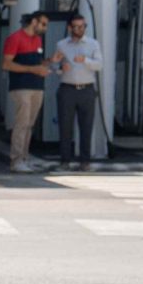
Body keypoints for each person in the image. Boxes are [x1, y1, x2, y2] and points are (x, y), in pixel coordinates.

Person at [53, 11, 103, 170]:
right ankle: (65, 161)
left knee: (86, 127)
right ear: (70, 28)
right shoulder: (61, 45)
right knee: (65, 127)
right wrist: (61, 68)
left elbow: (99, 65)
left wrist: (85, 60)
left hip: (87, 89)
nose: (80, 30)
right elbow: (55, 66)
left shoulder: (93, 44)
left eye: (82, 26)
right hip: (67, 89)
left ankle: (85, 161)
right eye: (76, 27)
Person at [3, 10, 50, 171]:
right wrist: (33, 69)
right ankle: (16, 160)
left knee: (29, 125)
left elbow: (37, 63)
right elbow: (6, 64)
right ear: (34, 22)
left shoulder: (37, 40)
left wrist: (49, 62)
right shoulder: (15, 38)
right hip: (21, 86)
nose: (45, 28)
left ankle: (23, 158)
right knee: (22, 124)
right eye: (43, 24)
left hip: (37, 86)